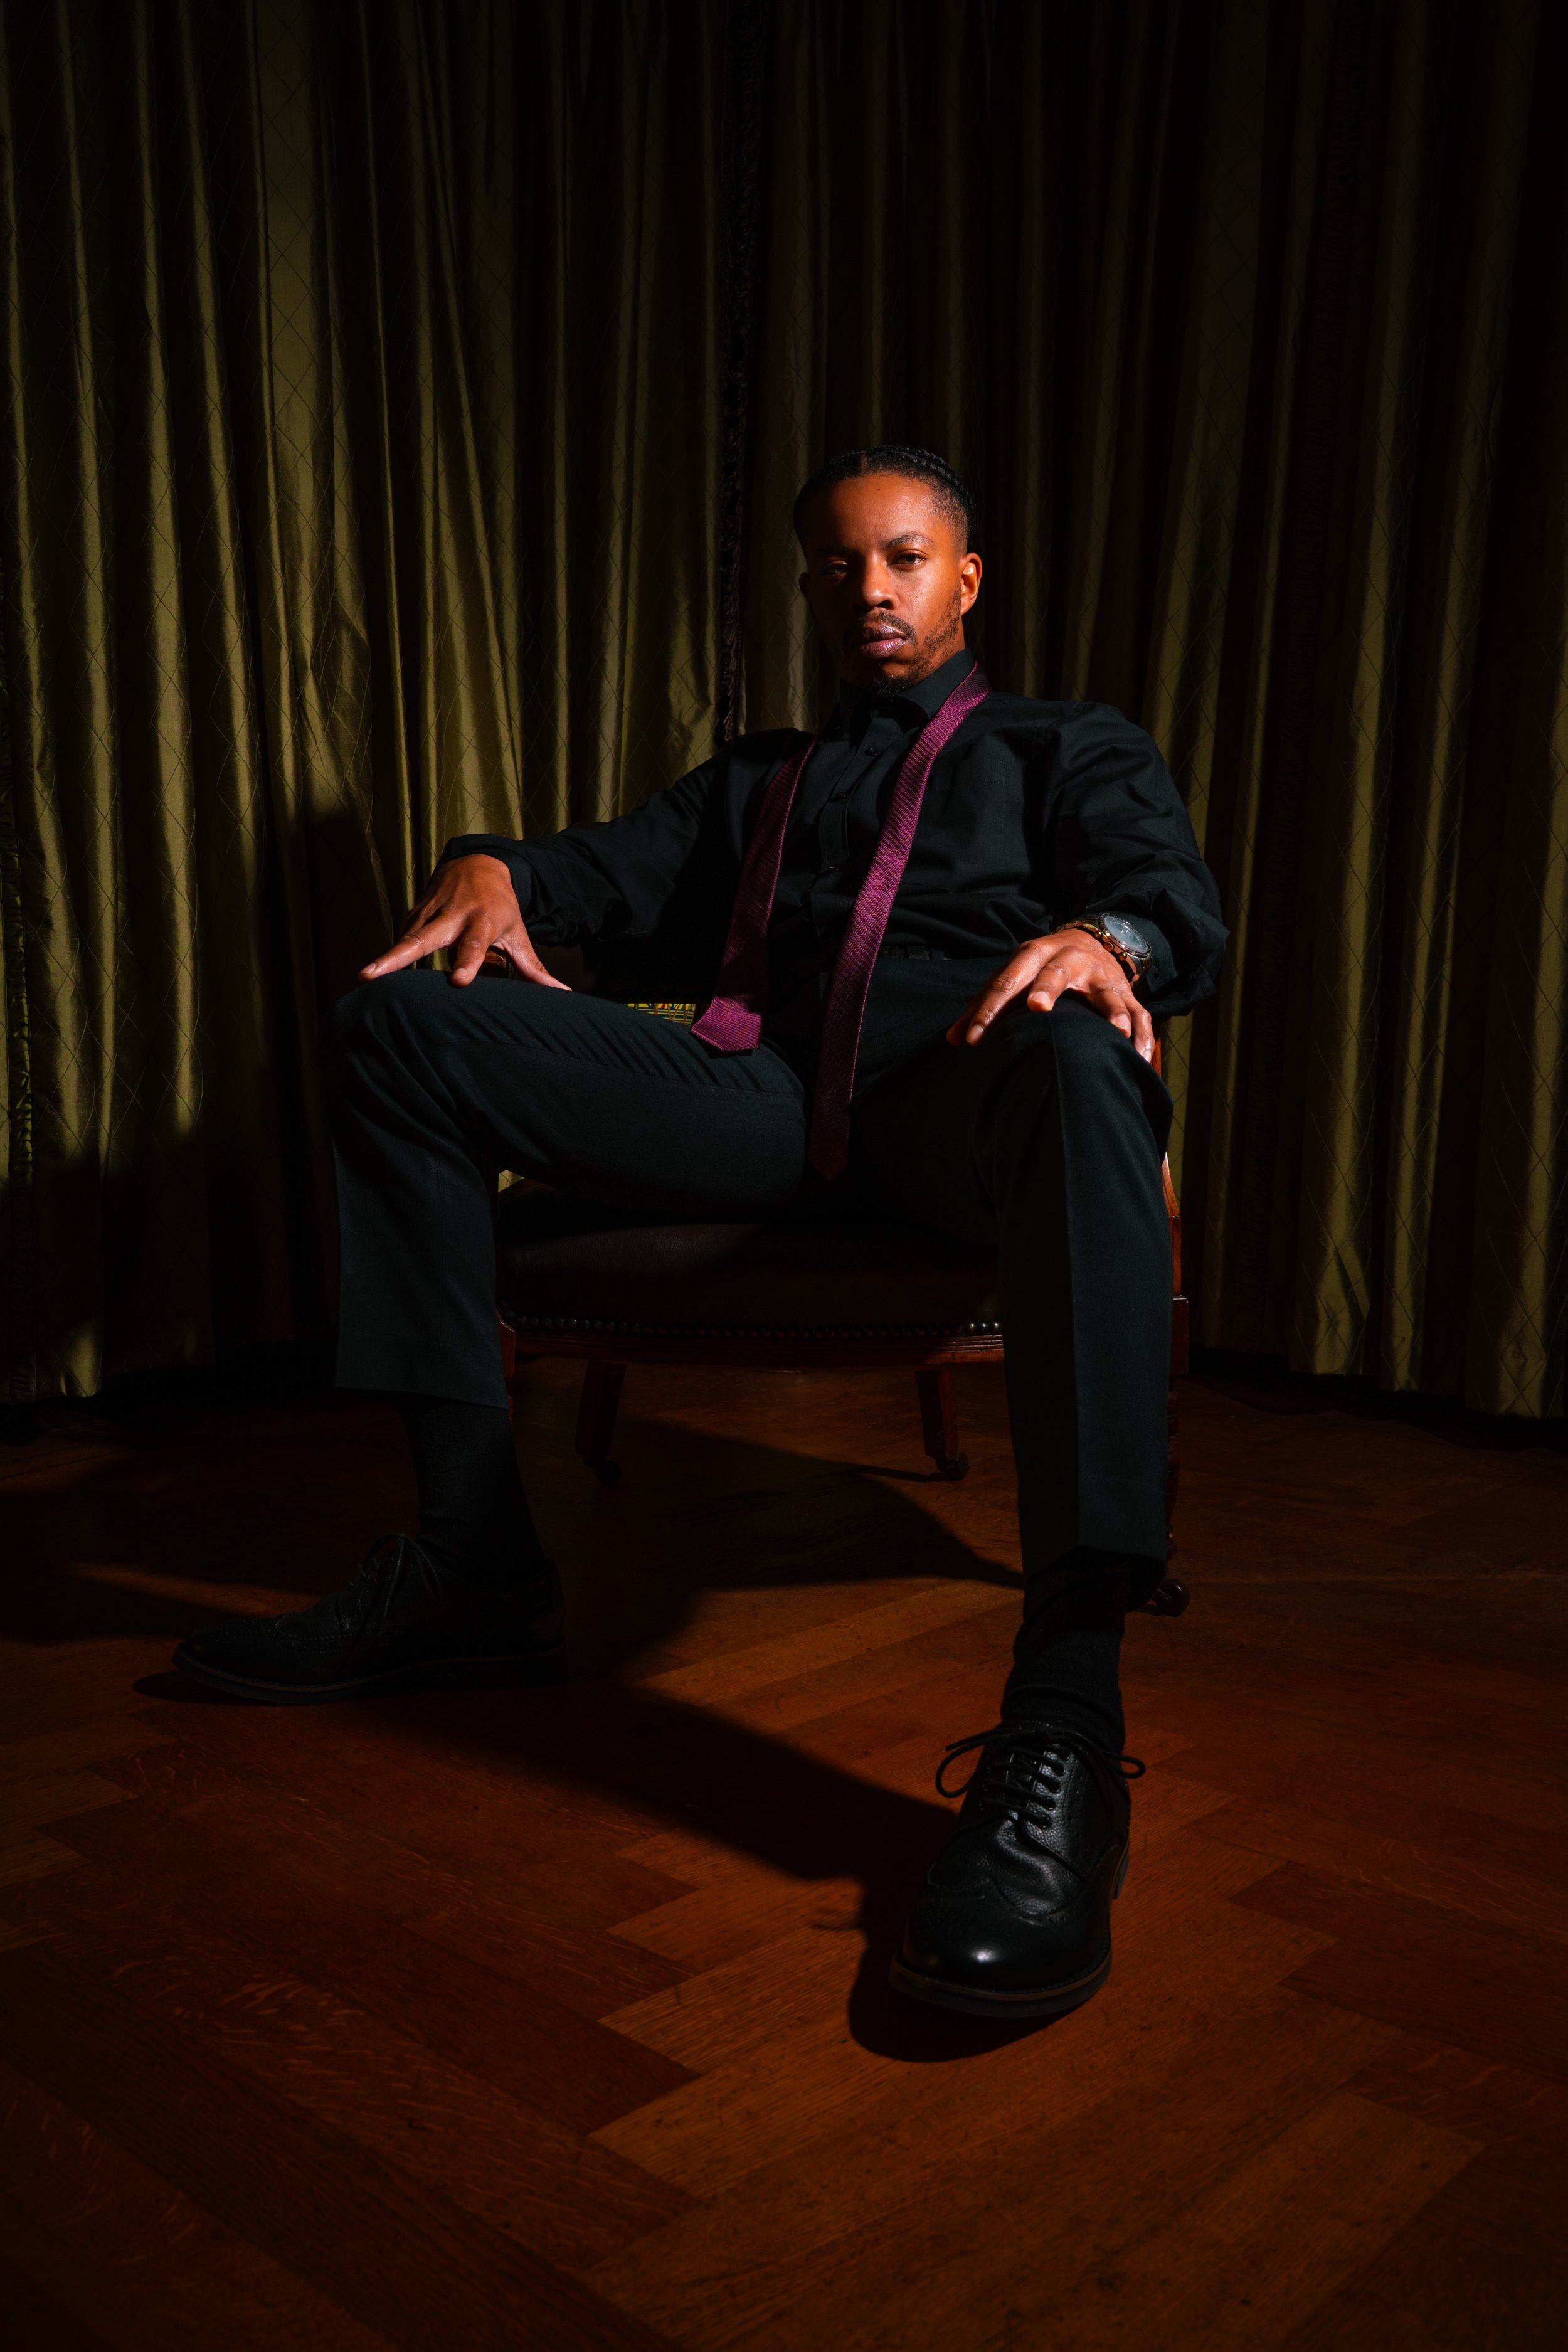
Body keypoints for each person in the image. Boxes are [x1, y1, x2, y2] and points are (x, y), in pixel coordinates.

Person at [174, 446, 1226, 2019]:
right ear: (806, 586)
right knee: (395, 1020)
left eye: (904, 556)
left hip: (961, 1107)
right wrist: (490, 861)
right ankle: (471, 1559)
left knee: (1084, 1045)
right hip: (761, 1103)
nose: (868, 587)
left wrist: (1100, 938)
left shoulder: (1060, 747)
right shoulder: (758, 780)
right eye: (836, 564)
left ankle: (1065, 1718)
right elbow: (589, 876)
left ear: (963, 579)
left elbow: (1167, 899)